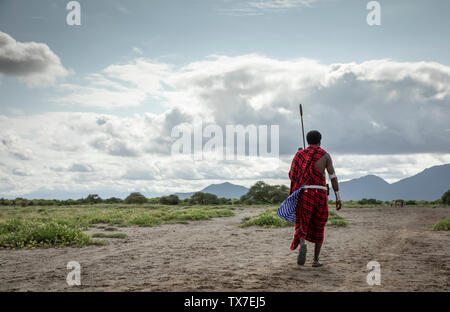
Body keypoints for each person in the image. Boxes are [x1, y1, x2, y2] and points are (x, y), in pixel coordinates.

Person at [289, 130, 341, 267]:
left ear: (307, 141)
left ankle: (302, 243)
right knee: (319, 224)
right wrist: (337, 196)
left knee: (303, 220)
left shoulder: (300, 155)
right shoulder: (325, 155)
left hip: (305, 192)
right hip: (320, 194)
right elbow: (333, 177)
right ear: (320, 141)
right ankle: (315, 260)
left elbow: (292, 175)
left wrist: (299, 156)